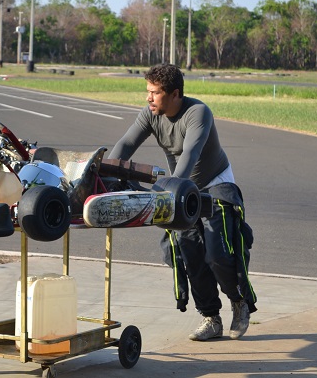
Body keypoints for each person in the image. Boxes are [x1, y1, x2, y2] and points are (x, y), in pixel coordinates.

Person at [108, 63, 257, 341]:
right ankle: (211, 317)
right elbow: (125, 146)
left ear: (175, 94)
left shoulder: (198, 113)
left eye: (154, 92)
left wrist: (172, 193)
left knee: (218, 252)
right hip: (182, 190)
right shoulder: (150, 114)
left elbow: (190, 154)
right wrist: (105, 173)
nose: (148, 98)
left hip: (215, 184)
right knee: (189, 254)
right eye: (147, 91)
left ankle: (239, 301)